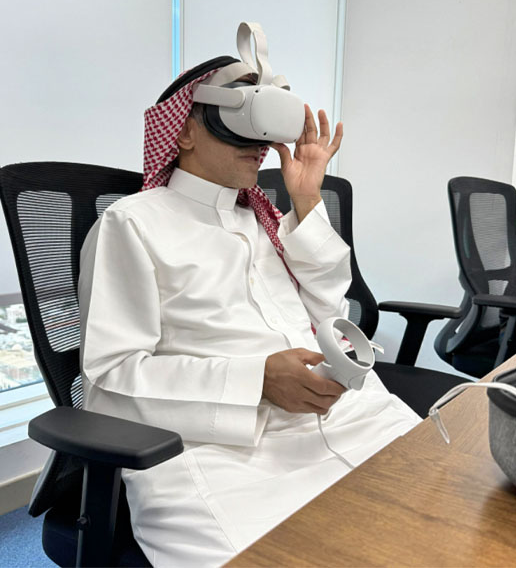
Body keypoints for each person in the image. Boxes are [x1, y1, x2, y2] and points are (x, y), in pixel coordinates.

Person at [78, 30, 420, 567]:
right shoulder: (133, 224)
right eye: (238, 118)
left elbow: (329, 317)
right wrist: (255, 380)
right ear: (184, 131)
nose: (259, 143)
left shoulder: (263, 221)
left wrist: (306, 201)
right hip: (222, 455)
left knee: (456, 506)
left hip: (348, 419)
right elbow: (109, 378)